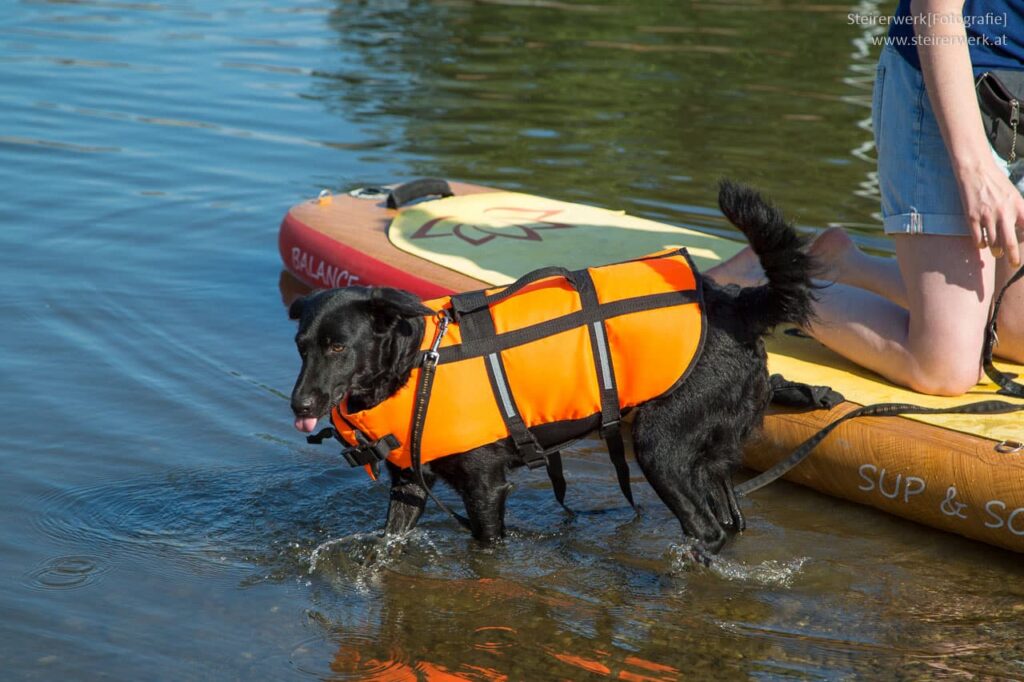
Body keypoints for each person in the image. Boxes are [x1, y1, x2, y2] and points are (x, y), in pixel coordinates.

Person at [710, 0, 1024, 396]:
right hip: (951, 81)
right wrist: (976, 169)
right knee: (944, 367)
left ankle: (835, 264)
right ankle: (767, 274)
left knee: (1013, 329)